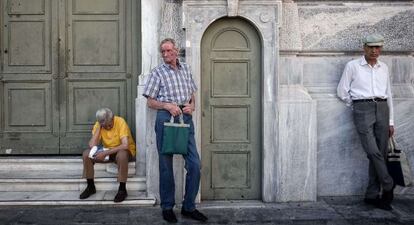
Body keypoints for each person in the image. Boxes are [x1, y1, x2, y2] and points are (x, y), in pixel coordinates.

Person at [143, 38, 208, 223]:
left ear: (176, 50)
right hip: (165, 118)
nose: (165, 54)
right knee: (166, 166)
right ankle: (167, 207)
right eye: (162, 52)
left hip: (185, 118)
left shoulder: (186, 68)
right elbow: (150, 101)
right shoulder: (157, 73)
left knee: (195, 164)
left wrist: (192, 106)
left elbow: (192, 95)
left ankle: (188, 207)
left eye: (168, 51)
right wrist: (167, 106)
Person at [337, 34, 395, 210]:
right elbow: (342, 91)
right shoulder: (353, 66)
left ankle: (371, 195)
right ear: (364, 47)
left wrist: (391, 120)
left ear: (381, 49)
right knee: (372, 151)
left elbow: (389, 93)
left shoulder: (383, 67)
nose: (374, 50)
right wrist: (357, 105)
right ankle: (388, 184)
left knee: (381, 153)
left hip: (383, 108)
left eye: (378, 47)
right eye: (371, 47)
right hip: (362, 108)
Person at [79, 108, 136, 203]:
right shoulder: (100, 125)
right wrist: (100, 127)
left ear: (113, 118)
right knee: (86, 154)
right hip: (108, 151)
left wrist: (105, 153)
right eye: (105, 126)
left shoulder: (120, 121)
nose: (108, 127)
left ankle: (122, 189)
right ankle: (90, 186)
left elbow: (125, 145)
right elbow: (92, 145)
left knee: (122, 155)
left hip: (123, 151)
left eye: (109, 125)